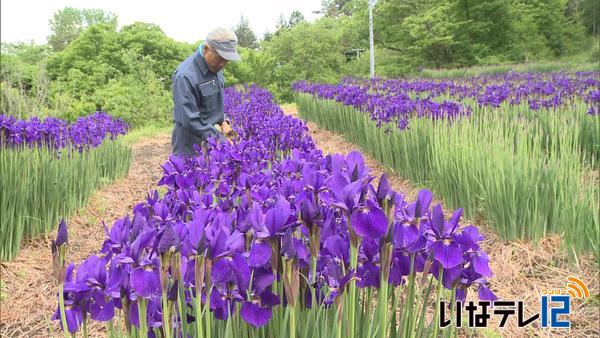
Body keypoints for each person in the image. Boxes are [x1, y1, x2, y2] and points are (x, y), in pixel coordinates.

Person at [171, 27, 241, 155]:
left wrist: (223, 121)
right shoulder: (185, 76)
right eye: (220, 58)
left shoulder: (216, 68)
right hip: (190, 146)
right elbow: (190, 120)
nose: (222, 64)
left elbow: (214, 102)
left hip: (212, 141)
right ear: (206, 49)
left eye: (226, 60)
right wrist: (220, 140)